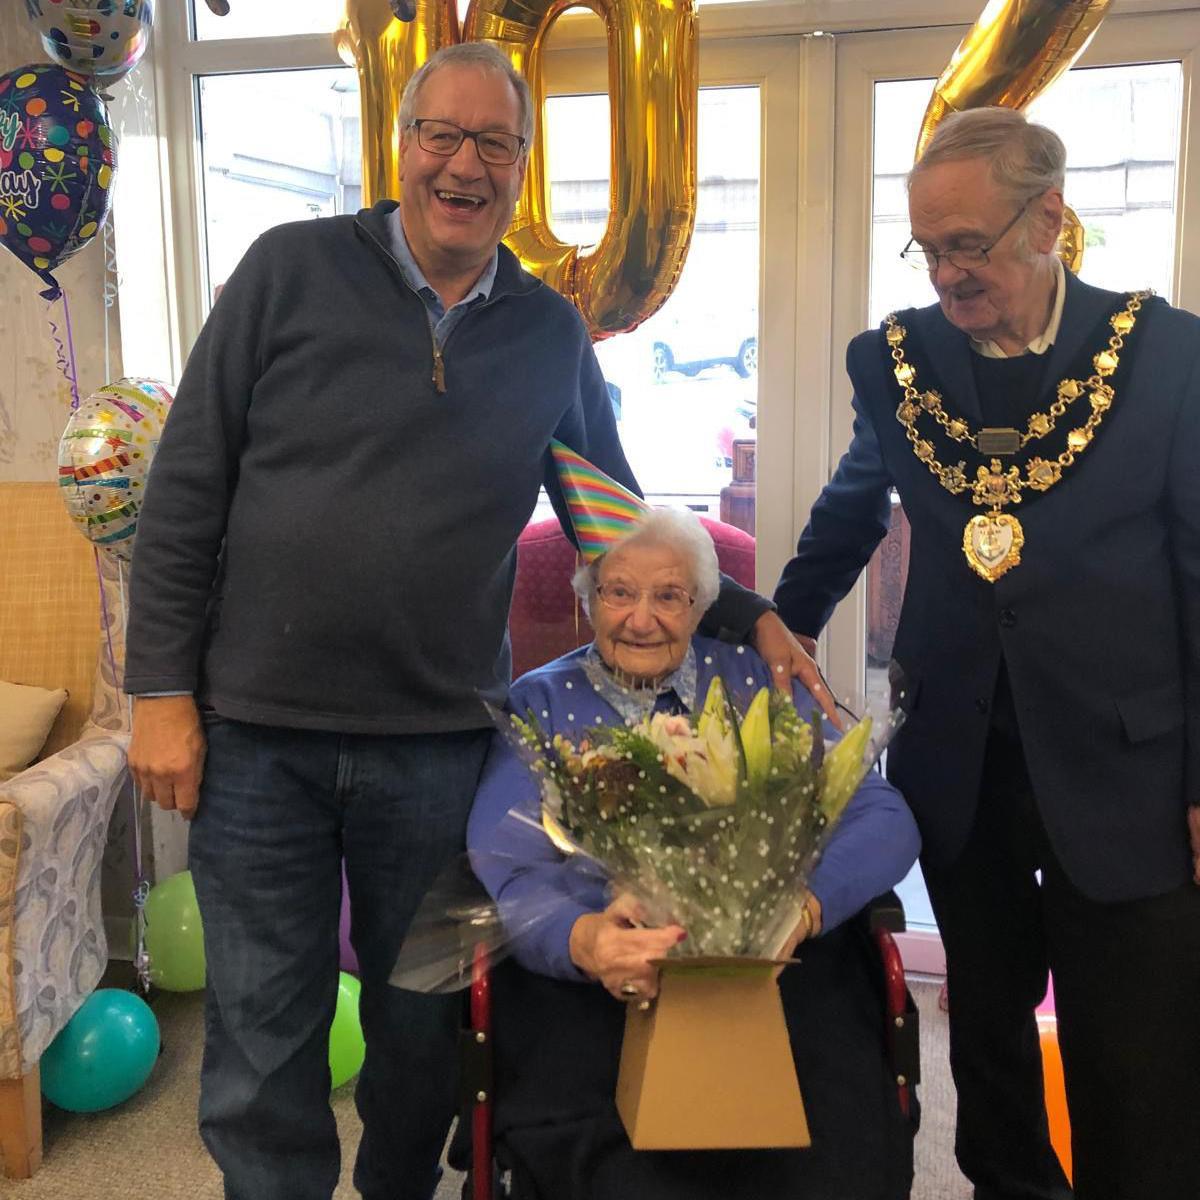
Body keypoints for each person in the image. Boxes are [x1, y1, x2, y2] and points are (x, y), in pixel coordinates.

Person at [123, 42, 822, 1200]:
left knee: (421, 1033)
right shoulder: (286, 271)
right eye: (442, 136)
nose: (465, 164)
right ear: (399, 148)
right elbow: (188, 482)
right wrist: (159, 693)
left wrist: (746, 619)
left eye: (494, 144)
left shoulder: (549, 332)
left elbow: (611, 513)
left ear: (522, 169)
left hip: (444, 747)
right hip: (256, 735)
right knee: (259, 1035)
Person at [774, 106, 1200, 1200]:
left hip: (1131, 769)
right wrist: (775, 623)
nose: (949, 274)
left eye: (971, 245)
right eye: (929, 246)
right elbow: (852, 508)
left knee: (1134, 1054)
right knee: (989, 1039)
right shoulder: (899, 363)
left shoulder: (1167, 356)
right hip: (964, 765)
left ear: (1049, 217)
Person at [468, 503, 921, 1200]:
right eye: (619, 592)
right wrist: (583, 938)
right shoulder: (542, 702)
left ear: (703, 605)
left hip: (766, 965)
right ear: (588, 602)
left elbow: (882, 815)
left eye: (669, 596)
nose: (641, 618)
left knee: (832, 1138)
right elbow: (509, 861)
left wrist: (801, 908)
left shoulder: (753, 685)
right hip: (599, 978)